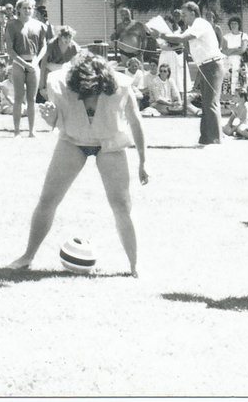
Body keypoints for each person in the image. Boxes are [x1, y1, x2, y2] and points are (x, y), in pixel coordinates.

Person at [9, 53, 149, 276]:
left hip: (109, 143)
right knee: (48, 199)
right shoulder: (60, 84)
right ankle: (28, 256)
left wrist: (143, 161)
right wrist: (50, 118)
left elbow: (136, 121)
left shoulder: (121, 86)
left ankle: (135, 265)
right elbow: (56, 119)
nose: (87, 102)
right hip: (73, 141)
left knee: (122, 205)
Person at [152, 2, 226, 145]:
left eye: (185, 15)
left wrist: (161, 34)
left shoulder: (200, 23)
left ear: (193, 13)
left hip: (213, 65)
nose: (183, 18)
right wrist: (163, 42)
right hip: (205, 66)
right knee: (206, 103)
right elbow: (182, 45)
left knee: (210, 102)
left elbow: (181, 39)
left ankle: (215, 139)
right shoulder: (193, 28)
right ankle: (206, 138)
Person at [6, 0, 48, 138]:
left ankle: (31, 130)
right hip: (19, 63)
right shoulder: (12, 25)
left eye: (30, 8)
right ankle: (17, 131)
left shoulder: (39, 25)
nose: (27, 11)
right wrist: (23, 63)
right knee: (18, 98)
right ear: (19, 9)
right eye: (24, 8)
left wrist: (36, 62)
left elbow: (43, 47)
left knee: (32, 99)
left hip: (34, 64)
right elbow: (10, 49)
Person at [221, 17, 248, 94]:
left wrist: (230, 50)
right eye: (232, 23)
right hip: (228, 62)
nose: (233, 25)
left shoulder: (244, 36)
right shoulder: (226, 37)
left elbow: (242, 50)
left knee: (239, 80)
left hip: (240, 61)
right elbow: (224, 51)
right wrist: (236, 48)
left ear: (239, 25)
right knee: (228, 80)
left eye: (235, 23)